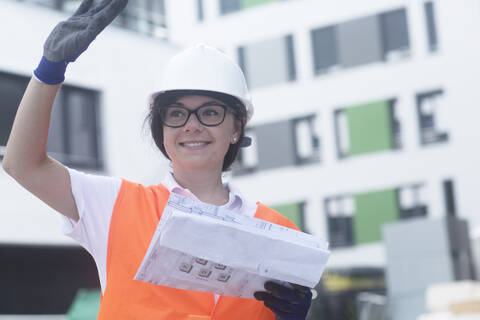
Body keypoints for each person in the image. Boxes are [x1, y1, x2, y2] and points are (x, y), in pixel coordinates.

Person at [2, 0, 313, 319]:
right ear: (161, 130)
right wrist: (49, 71)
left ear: (237, 128)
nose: (192, 125)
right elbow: (23, 165)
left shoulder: (278, 232)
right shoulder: (113, 206)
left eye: (210, 112)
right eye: (177, 113)